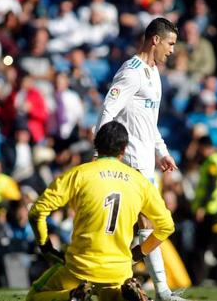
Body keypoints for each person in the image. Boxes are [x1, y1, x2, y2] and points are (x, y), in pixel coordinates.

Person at [26, 121, 174, 301]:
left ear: (95, 144)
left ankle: (73, 296)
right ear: (124, 150)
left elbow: (37, 211)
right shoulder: (140, 182)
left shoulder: (79, 174)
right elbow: (166, 227)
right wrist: (137, 253)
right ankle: (125, 296)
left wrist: (46, 246)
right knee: (113, 294)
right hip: (119, 271)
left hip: (79, 267)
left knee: (34, 297)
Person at [96, 17, 183, 301]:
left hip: (147, 161)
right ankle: (162, 292)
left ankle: (115, 279)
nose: (172, 50)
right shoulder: (131, 72)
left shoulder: (153, 72)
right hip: (130, 162)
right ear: (155, 40)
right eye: (170, 43)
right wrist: (102, 155)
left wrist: (163, 151)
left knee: (138, 229)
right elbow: (107, 112)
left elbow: (149, 121)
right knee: (150, 225)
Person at [190, 135, 217, 286]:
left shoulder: (212, 162)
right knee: (206, 247)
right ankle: (203, 280)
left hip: (213, 211)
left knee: (213, 248)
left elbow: (211, 187)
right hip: (214, 211)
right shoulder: (216, 161)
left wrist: (201, 207)